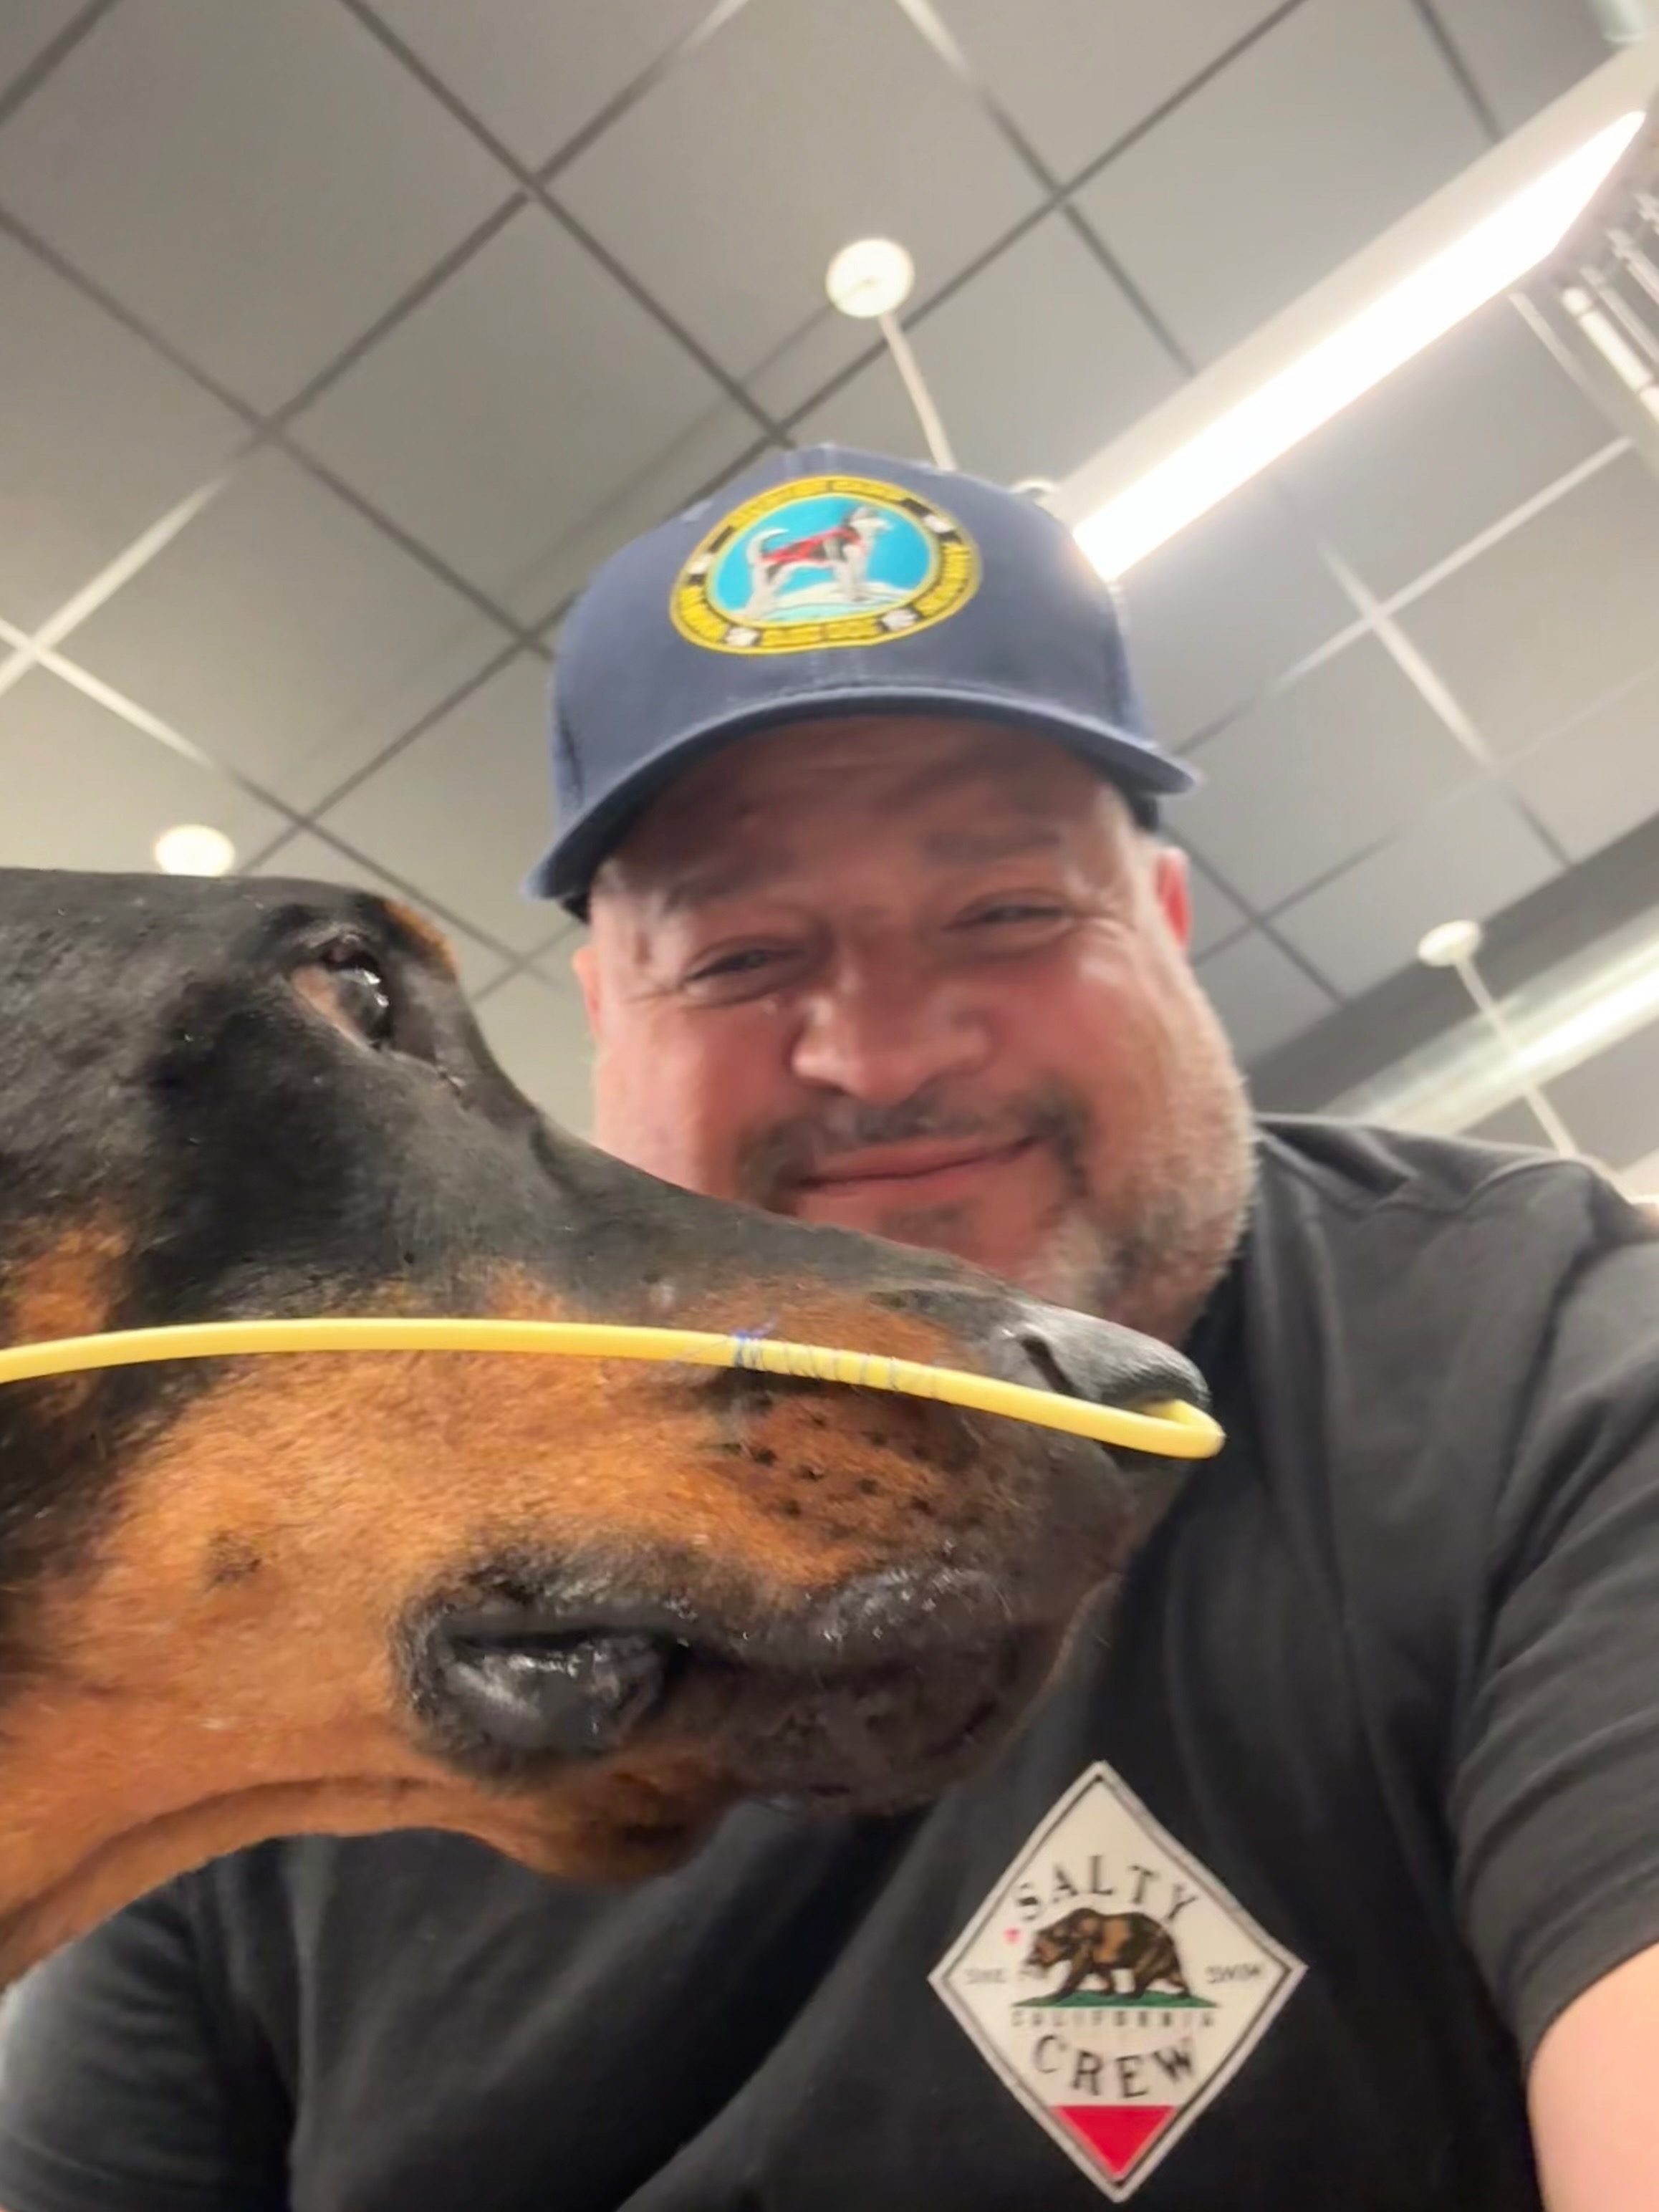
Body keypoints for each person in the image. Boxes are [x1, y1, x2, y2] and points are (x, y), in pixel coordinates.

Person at [1, 446, 1657, 2212]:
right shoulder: (295, 1609)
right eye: (737, 957)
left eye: (1009, 911)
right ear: (604, 1017)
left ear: (1169, 924)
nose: (880, 1050)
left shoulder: (1541, 1348)